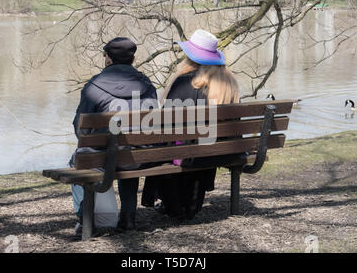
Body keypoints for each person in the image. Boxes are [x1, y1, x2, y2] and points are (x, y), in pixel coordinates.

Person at [141, 29, 240, 220]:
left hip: (191, 155)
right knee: (194, 144)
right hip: (221, 152)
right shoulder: (229, 82)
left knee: (166, 147)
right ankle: (190, 203)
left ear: (190, 56)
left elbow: (166, 124)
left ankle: (174, 205)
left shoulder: (185, 82)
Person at [70, 37, 157, 235]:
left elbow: (80, 130)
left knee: (78, 159)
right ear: (132, 59)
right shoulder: (147, 84)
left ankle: (86, 219)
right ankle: (128, 218)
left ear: (108, 58)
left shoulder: (94, 86)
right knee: (129, 150)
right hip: (140, 158)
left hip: (102, 159)